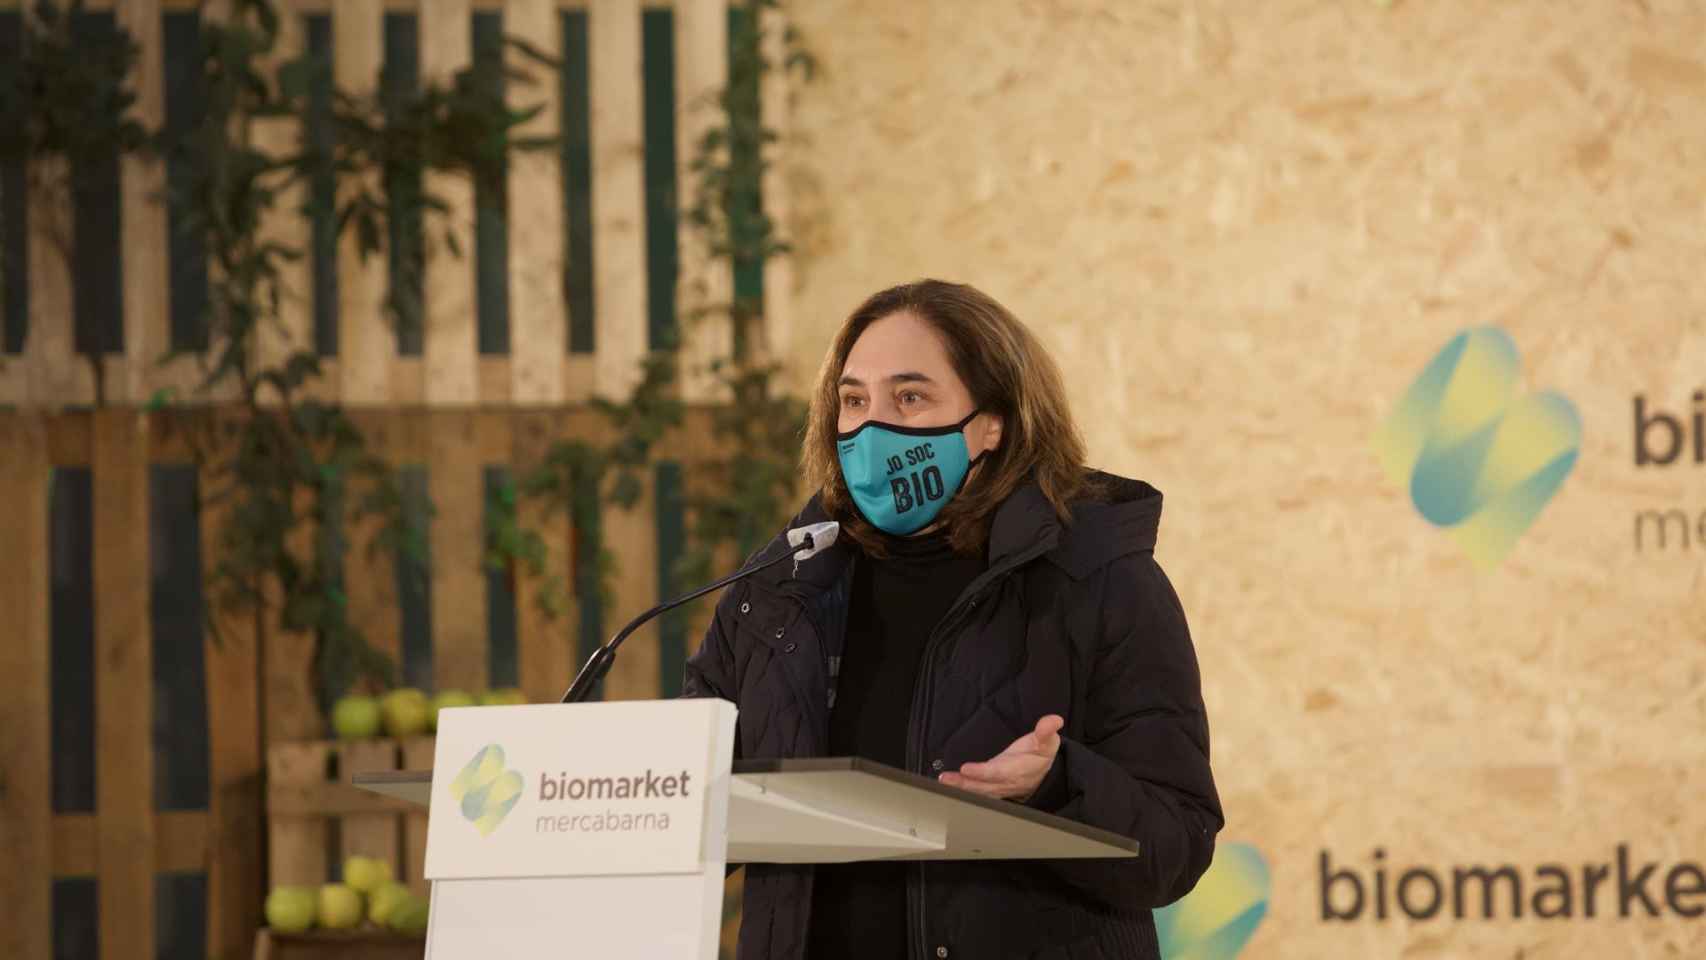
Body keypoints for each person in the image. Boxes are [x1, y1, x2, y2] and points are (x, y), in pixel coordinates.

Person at [684, 279, 1222, 960]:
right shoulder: (779, 591)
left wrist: (1057, 785)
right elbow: (686, 802)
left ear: (992, 423)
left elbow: (1176, 844)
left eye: (910, 398)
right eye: (854, 401)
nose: (872, 429)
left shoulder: (1098, 580)